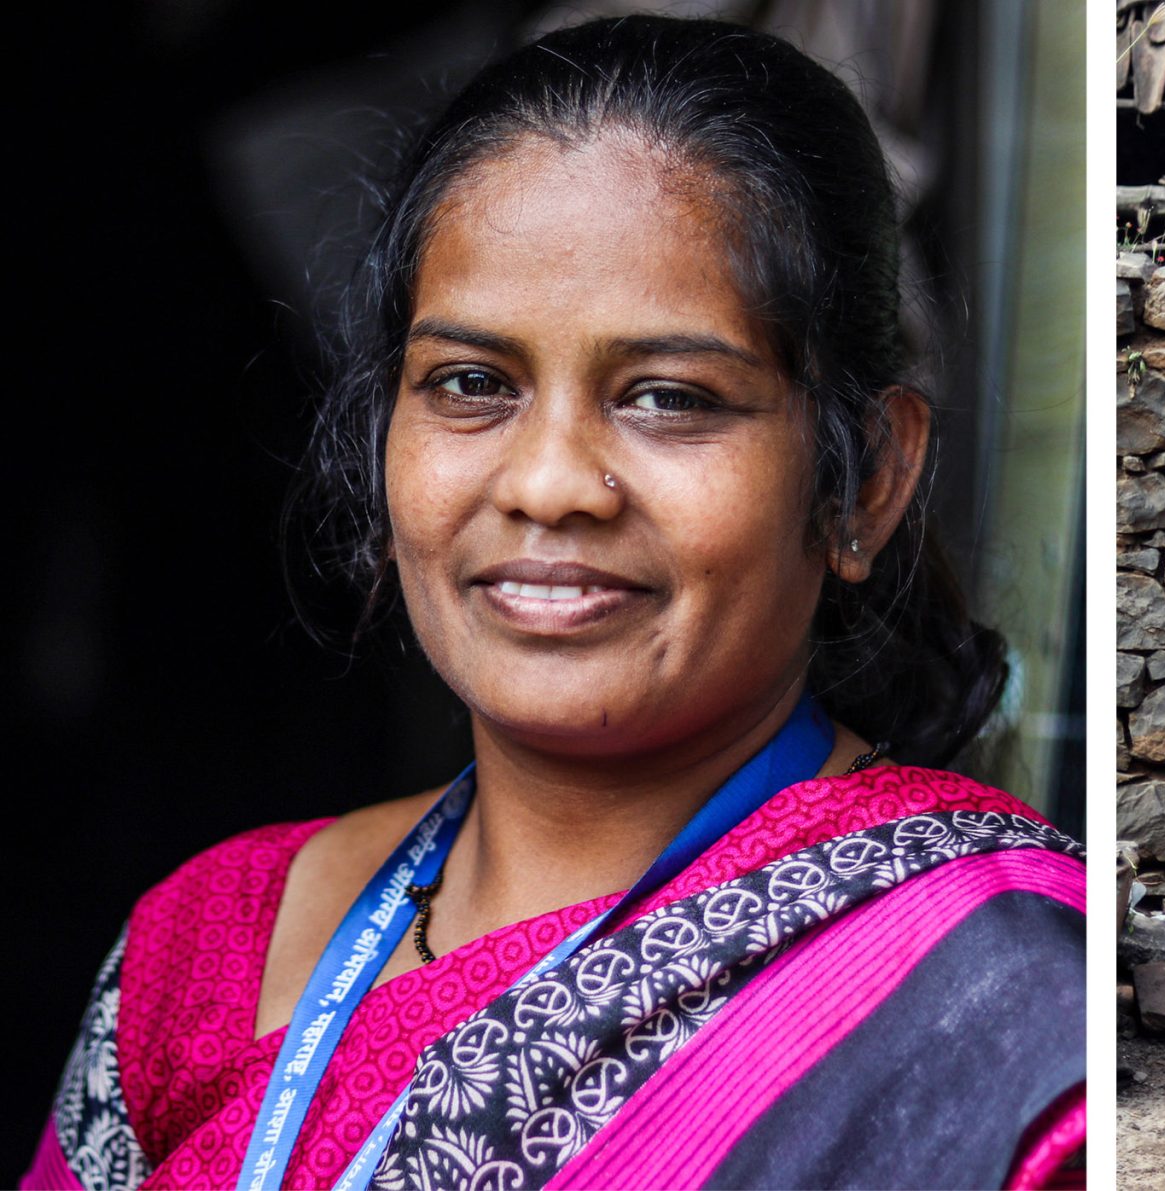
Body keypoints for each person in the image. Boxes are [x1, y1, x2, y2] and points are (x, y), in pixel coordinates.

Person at [26, 17, 1083, 1191]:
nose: (547, 484)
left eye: (670, 397)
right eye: (472, 386)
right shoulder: (204, 943)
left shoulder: (996, 1006)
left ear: (866, 480)